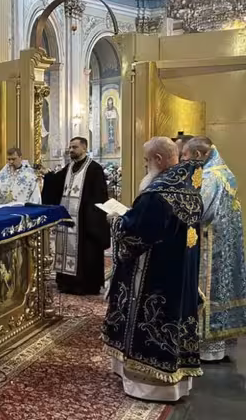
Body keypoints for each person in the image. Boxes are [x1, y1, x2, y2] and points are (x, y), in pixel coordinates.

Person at [102, 136, 203, 401]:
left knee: (152, 324)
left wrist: (116, 221)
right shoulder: (188, 187)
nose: (145, 165)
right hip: (180, 274)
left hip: (154, 276)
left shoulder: (156, 194)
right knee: (175, 319)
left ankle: (148, 383)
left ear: (158, 159)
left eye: (147, 160)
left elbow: (136, 233)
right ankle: (177, 377)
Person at [182, 136, 246, 362]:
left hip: (211, 247)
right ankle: (223, 346)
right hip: (226, 243)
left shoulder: (209, 177)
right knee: (224, 289)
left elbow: (199, 210)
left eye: (185, 156)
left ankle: (207, 349)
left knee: (208, 291)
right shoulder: (226, 173)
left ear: (198, 155)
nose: (183, 160)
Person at [42, 137, 109, 295]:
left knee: (86, 252)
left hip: (86, 222)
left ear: (84, 148)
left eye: (75, 147)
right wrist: (48, 176)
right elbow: (56, 184)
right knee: (65, 248)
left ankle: (85, 285)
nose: (71, 150)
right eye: (70, 147)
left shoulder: (94, 169)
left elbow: (99, 196)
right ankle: (67, 283)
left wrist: (90, 215)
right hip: (67, 218)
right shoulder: (69, 167)